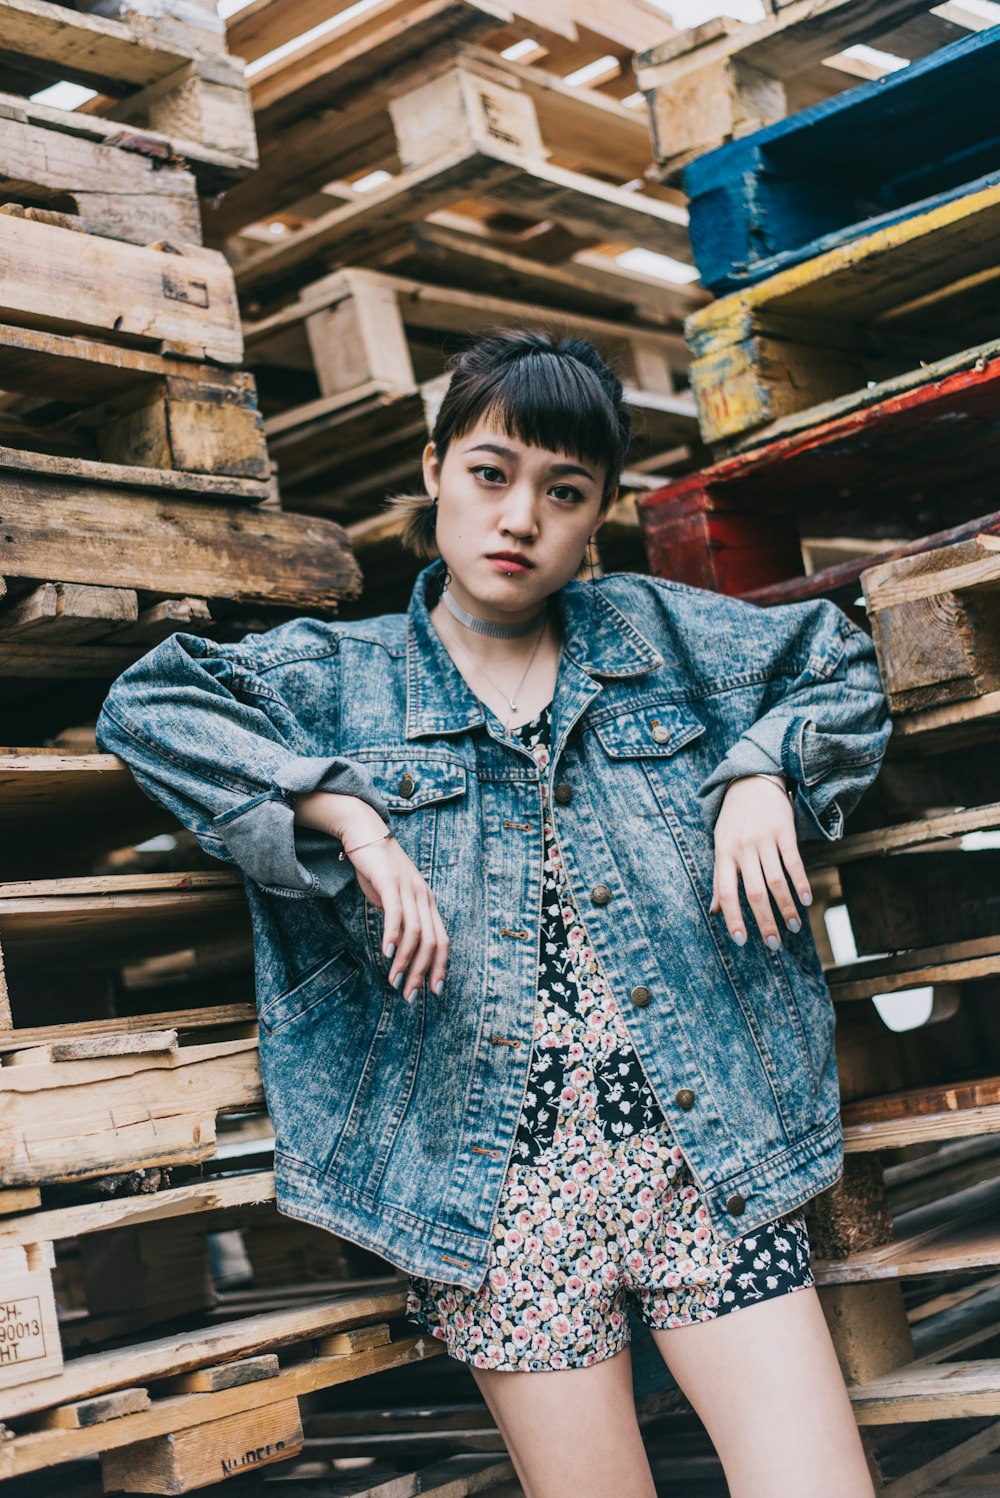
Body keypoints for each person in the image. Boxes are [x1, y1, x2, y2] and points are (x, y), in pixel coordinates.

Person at [96, 330, 891, 1498]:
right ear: (433, 471)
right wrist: (345, 813)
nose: (519, 516)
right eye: (490, 471)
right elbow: (147, 702)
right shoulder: (340, 677)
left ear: (597, 514)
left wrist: (768, 769)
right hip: (491, 1190)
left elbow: (837, 661)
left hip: (702, 1150)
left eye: (561, 491)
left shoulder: (664, 640)